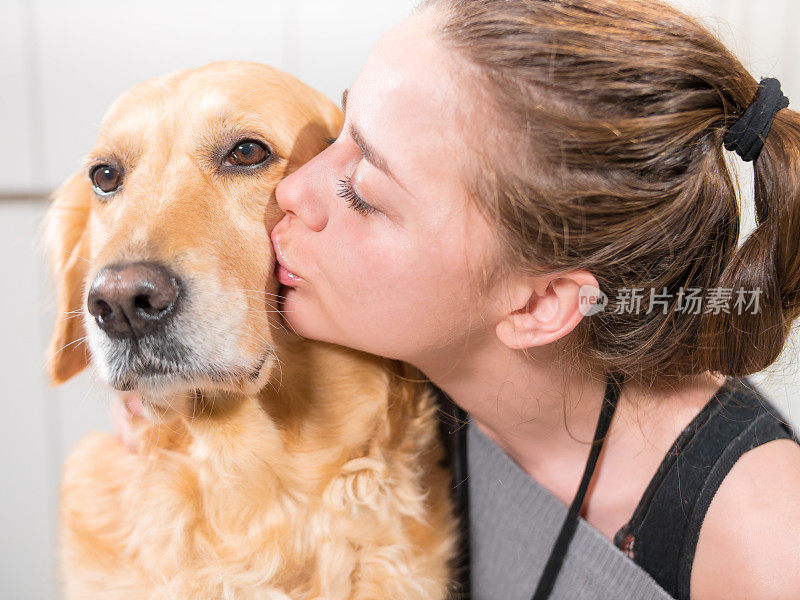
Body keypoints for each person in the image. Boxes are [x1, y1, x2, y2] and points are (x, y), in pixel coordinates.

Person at [113, 0, 800, 598]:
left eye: (362, 190)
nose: (294, 189)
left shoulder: (764, 541)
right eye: (345, 131)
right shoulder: (396, 365)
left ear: (538, 306)